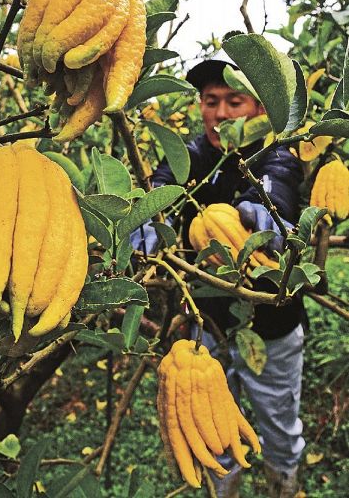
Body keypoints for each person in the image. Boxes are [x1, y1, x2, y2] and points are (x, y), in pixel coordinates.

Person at [135, 52, 306, 498]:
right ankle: (223, 481)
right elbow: (159, 189)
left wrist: (261, 216)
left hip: (271, 323)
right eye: (211, 101)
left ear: (259, 109)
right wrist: (142, 218)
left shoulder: (275, 155)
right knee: (211, 412)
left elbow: (277, 191)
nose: (221, 113)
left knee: (275, 412)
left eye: (235, 101)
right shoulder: (189, 156)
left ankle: (282, 478)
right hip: (205, 321)